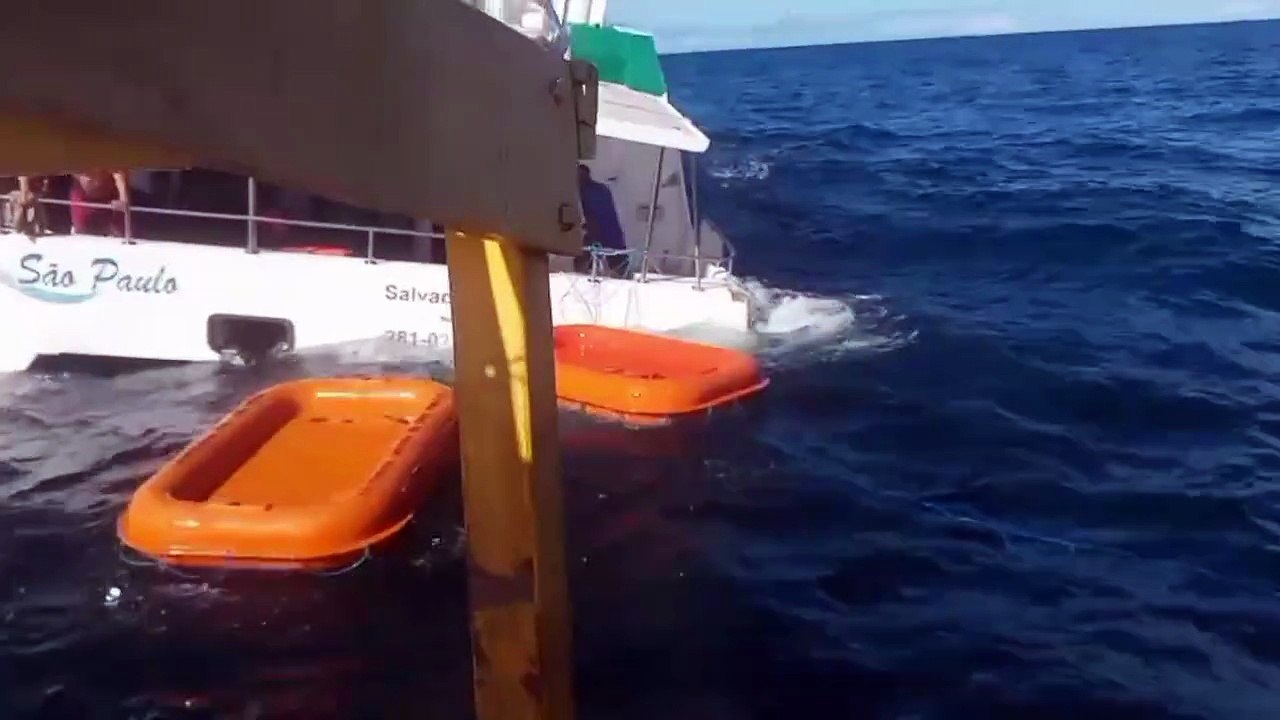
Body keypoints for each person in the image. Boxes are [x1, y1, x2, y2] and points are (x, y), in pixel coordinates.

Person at [575, 163, 628, 275]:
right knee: (615, 254)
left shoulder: (586, 190)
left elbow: (592, 213)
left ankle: (585, 271)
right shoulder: (601, 188)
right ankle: (621, 271)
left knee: (588, 253)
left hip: (600, 228)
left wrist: (587, 226)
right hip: (609, 229)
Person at [69, 170, 130, 236]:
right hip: (83, 201)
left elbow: (120, 179)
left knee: (118, 230)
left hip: (110, 201)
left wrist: (122, 197)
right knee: (82, 230)